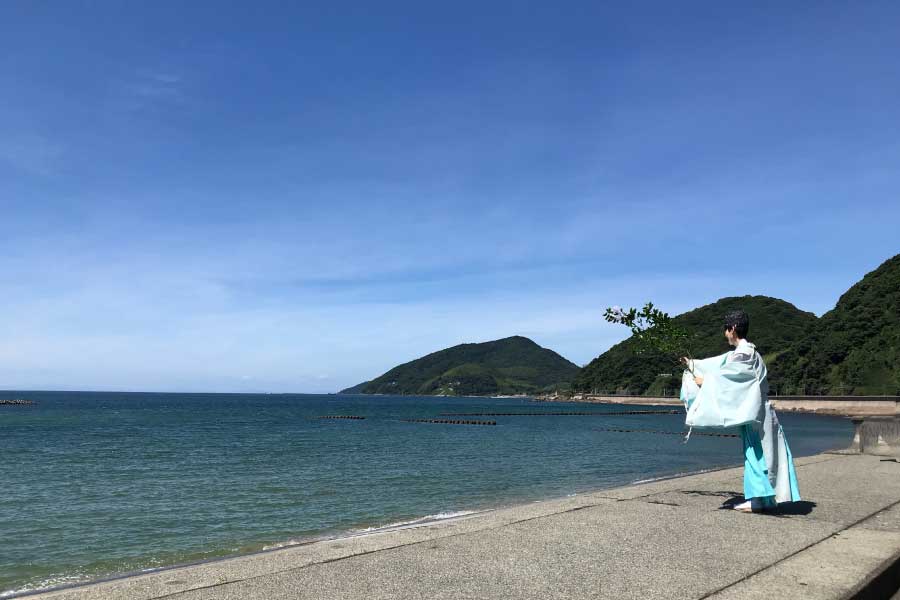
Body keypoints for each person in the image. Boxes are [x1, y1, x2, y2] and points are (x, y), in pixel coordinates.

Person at [679, 310, 800, 513]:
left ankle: (757, 501)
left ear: (732, 328)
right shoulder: (747, 353)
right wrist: (692, 364)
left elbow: (730, 377)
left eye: (726, 329)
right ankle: (762, 499)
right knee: (761, 454)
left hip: (755, 414)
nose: (725, 334)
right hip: (756, 412)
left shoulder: (744, 354)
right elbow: (720, 365)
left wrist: (705, 382)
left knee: (756, 454)